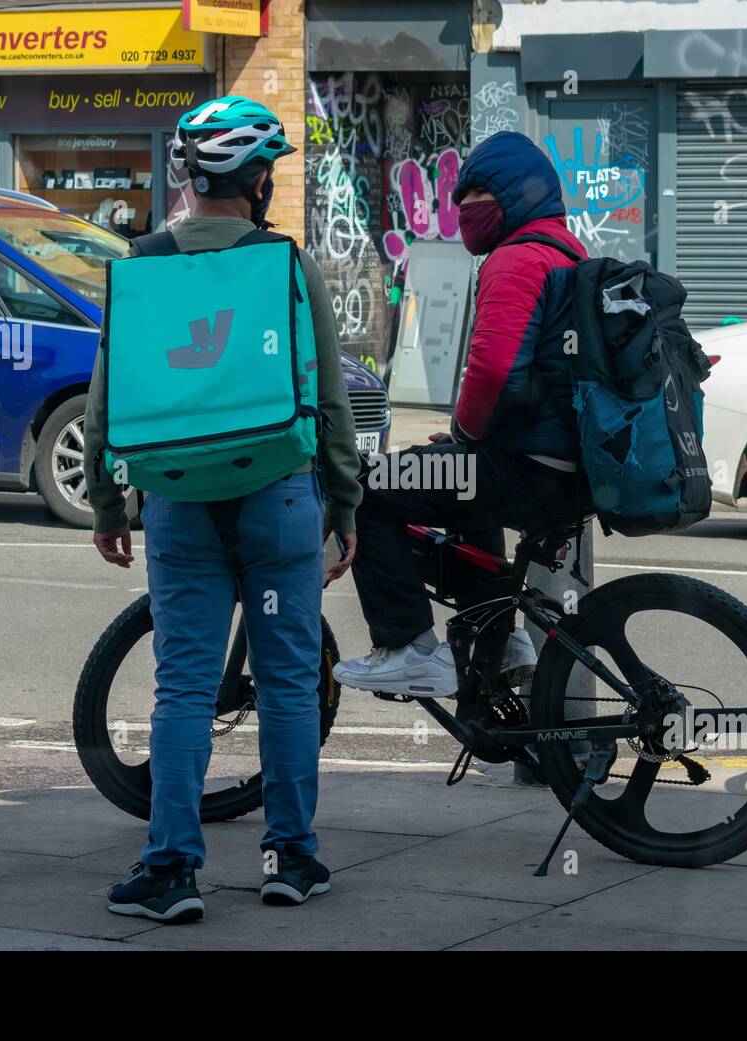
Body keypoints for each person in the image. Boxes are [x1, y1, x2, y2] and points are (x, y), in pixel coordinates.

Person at [82, 97, 362, 922]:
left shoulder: (140, 263)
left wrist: (107, 504)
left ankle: (170, 870)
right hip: (279, 495)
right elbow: (331, 400)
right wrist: (343, 502)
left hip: (175, 499)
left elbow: (105, 404)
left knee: (184, 690)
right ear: (257, 181)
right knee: (284, 684)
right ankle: (292, 857)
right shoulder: (284, 263)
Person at [334, 130, 589, 699]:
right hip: (558, 467)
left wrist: (464, 431)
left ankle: (408, 648)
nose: (460, 207)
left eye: (473, 193)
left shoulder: (517, 261)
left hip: (530, 467)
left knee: (369, 488)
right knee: (460, 479)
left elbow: (495, 373)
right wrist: (465, 443)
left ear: (512, 197)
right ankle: (503, 638)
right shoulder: (567, 252)